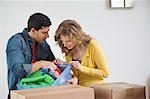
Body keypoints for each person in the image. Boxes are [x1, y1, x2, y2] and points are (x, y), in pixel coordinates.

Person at [6, 13, 57, 98]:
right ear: (33, 31)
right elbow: (18, 71)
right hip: (19, 94)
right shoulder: (16, 42)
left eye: (48, 32)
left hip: (39, 93)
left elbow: (51, 64)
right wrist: (41, 63)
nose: (47, 36)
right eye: (44, 32)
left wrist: (56, 63)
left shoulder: (43, 44)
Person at [54, 20, 109, 87]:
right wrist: (63, 65)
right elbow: (76, 75)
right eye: (63, 42)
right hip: (79, 88)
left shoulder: (92, 45)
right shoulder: (68, 50)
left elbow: (105, 73)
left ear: (76, 37)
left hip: (96, 88)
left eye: (68, 41)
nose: (65, 45)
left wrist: (81, 68)